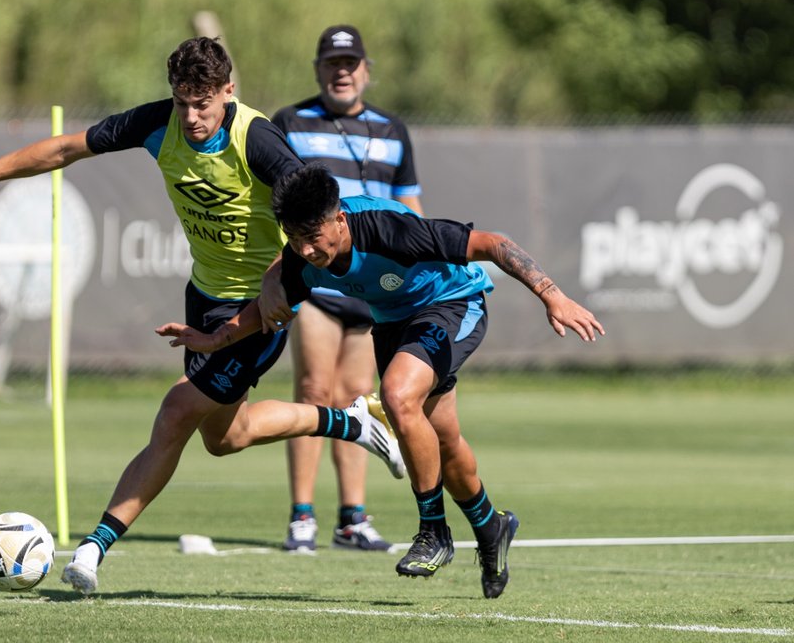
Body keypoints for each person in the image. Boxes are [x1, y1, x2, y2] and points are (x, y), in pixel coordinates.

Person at [0, 38, 405, 595]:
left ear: (228, 93)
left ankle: (93, 550)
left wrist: (276, 282)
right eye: (181, 103)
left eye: (203, 105)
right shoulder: (157, 123)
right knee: (225, 437)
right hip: (204, 296)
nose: (191, 118)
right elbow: (65, 149)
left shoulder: (258, 139)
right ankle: (352, 422)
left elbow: (311, 215)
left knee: (175, 413)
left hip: (256, 310)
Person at [158, 165, 604, 598]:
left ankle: (434, 532)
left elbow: (493, 243)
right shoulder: (300, 258)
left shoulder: (389, 230)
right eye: (295, 240)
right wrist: (216, 337)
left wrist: (552, 294)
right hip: (394, 323)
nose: (307, 250)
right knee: (442, 442)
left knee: (396, 395)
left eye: (313, 238)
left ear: (339, 219)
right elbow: (265, 310)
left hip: (453, 303)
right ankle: (491, 524)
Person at [270, 24, 423, 553]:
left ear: (365, 69)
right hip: (316, 280)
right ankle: (302, 516)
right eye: (332, 64)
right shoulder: (289, 122)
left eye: (350, 63)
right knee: (314, 389)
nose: (342, 72)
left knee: (358, 400)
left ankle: (352, 518)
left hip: (373, 284)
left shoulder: (393, 129)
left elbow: (411, 210)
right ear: (318, 69)